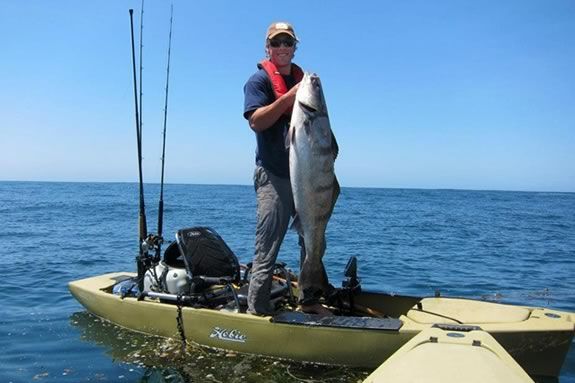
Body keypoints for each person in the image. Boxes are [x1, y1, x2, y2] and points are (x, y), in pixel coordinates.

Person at [243, 22, 332, 316]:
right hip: (274, 175)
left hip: (308, 176)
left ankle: (310, 296)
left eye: (288, 43)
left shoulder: (304, 84)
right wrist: (286, 99)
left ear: (295, 47)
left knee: (313, 238)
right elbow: (256, 121)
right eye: (277, 43)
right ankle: (257, 309)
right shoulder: (258, 82)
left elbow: (326, 140)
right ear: (267, 48)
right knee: (268, 242)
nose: (282, 48)